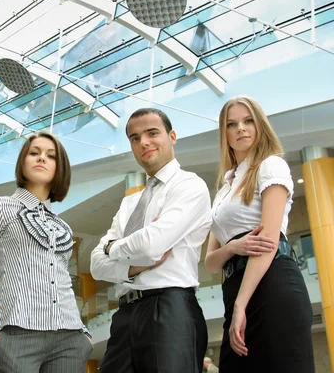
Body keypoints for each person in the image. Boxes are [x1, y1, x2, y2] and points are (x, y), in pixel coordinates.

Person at [90, 108, 211, 372]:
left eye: (152, 133)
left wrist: (113, 247)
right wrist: (133, 267)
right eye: (135, 138)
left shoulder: (189, 185)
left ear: (172, 136)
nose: (143, 142)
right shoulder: (129, 203)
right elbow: (96, 265)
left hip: (169, 308)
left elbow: (151, 246)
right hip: (124, 315)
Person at [204, 96, 314, 373]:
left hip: (272, 283)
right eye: (232, 124)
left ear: (260, 125)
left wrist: (241, 304)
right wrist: (233, 248)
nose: (241, 128)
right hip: (234, 288)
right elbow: (210, 263)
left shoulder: (270, 165)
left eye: (248, 120)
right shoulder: (223, 190)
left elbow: (268, 240)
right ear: (225, 134)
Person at [0, 132, 92, 372]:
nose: (41, 158)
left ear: (60, 167)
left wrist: (84, 334)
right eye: (34, 153)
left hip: (71, 340)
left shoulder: (62, 226)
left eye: (50, 156)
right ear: (22, 162)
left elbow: (62, 279)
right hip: (17, 336)